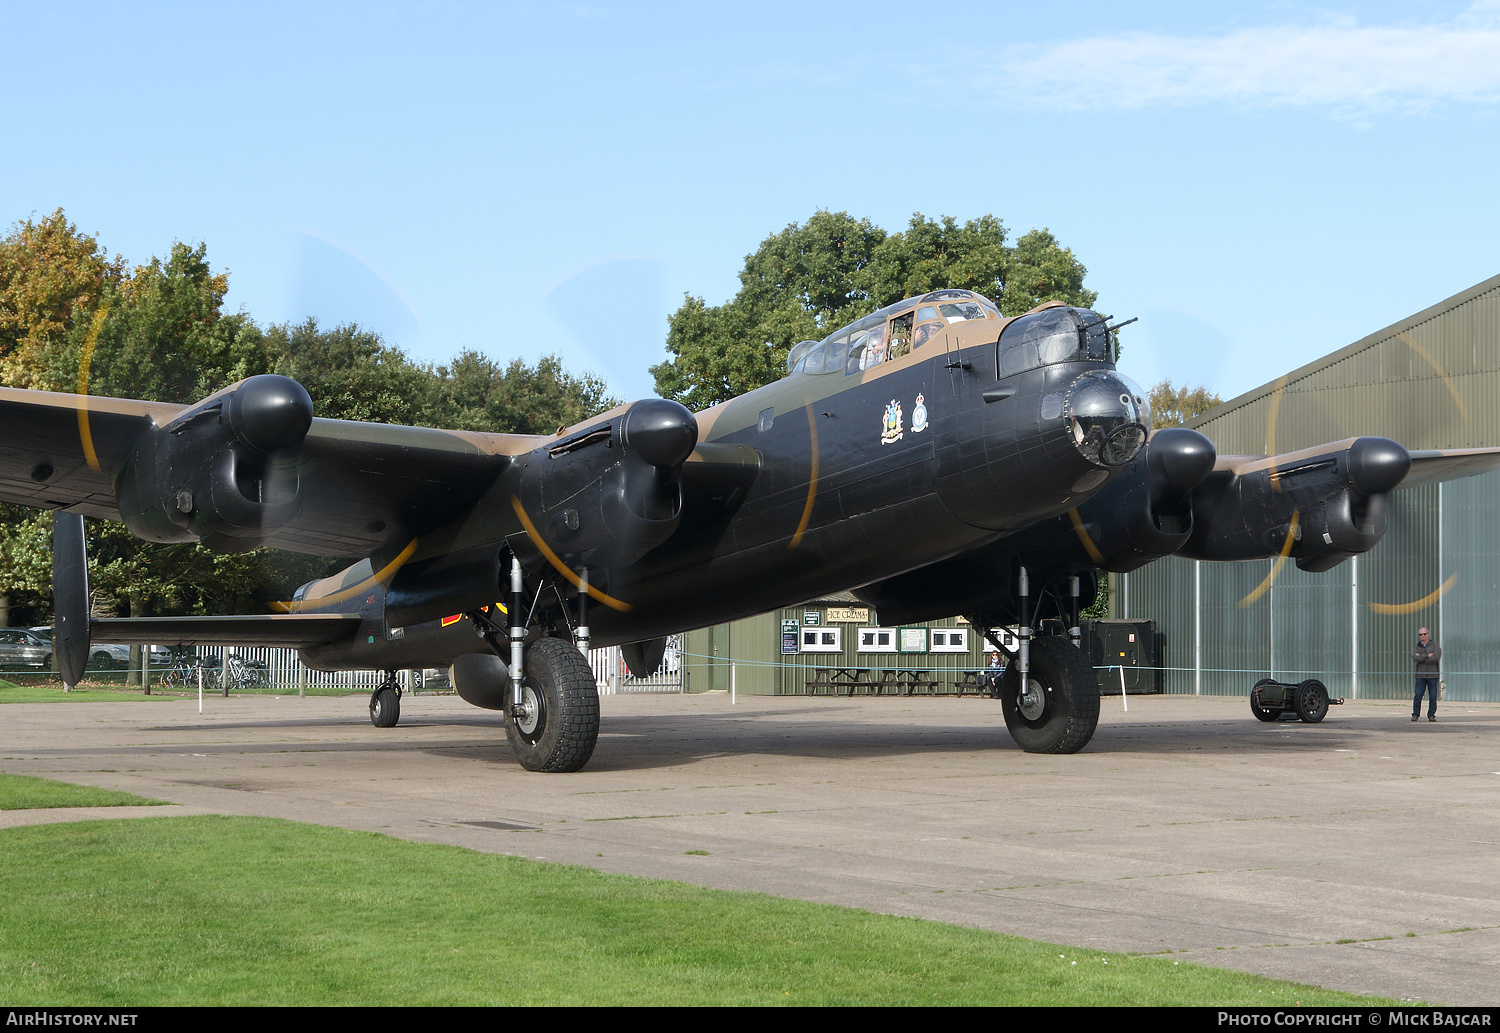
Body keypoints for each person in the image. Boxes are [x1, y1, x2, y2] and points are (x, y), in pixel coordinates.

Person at [1412, 627, 1440, 722]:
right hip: (1420, 675)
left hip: (1433, 675)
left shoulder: (1435, 646)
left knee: (1433, 696)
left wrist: (1421, 657)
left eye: (1424, 634)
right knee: (1418, 695)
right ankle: (1415, 714)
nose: (1422, 636)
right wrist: (1428, 655)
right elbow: (1415, 658)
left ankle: (1431, 715)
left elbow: (1436, 657)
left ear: (1428, 634)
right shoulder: (1417, 646)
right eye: (1420, 634)